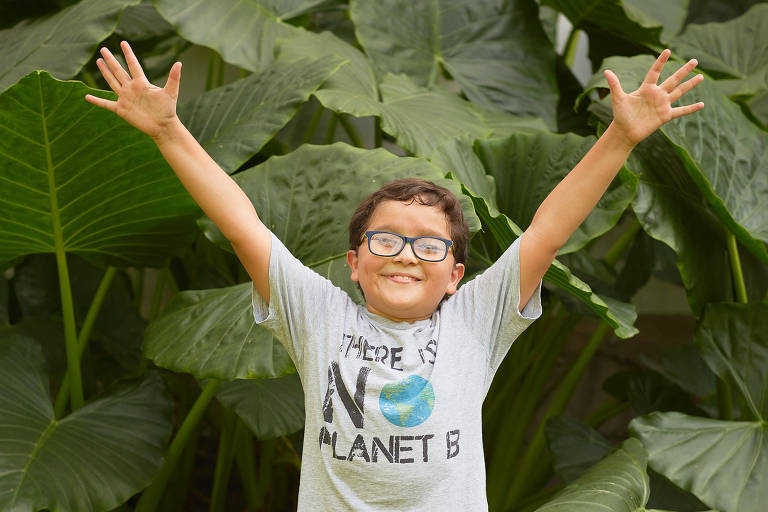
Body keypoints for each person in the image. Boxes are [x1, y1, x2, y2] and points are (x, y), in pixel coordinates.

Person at [86, 41, 704, 511]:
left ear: (456, 275)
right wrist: (168, 131)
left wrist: (620, 137)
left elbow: (547, 232)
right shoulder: (317, 315)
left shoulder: (477, 319)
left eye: (429, 247)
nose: (407, 254)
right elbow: (244, 225)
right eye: (386, 240)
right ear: (353, 262)